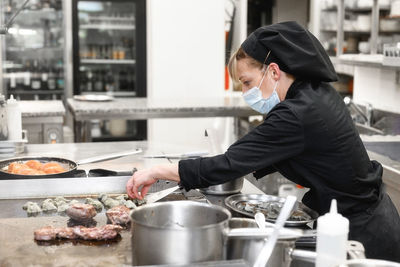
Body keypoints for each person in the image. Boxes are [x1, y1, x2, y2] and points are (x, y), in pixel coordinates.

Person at [126, 21, 400, 261]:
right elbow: (250, 155)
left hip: (363, 236)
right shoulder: (312, 93)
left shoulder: (296, 113)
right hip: (364, 219)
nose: (245, 93)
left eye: (246, 82)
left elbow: (230, 164)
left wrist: (156, 171)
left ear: (273, 71)